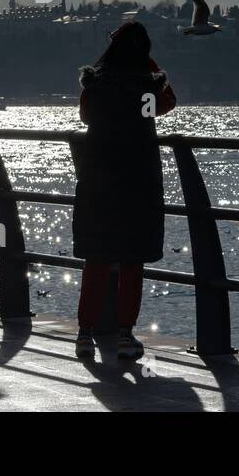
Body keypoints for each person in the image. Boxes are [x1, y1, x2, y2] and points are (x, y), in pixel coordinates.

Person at [72, 21, 176, 360]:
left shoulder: (95, 83)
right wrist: (151, 68)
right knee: (132, 260)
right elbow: (167, 104)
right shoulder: (148, 87)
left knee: (97, 258)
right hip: (138, 180)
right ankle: (124, 335)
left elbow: (85, 116)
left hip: (98, 180)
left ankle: (85, 334)